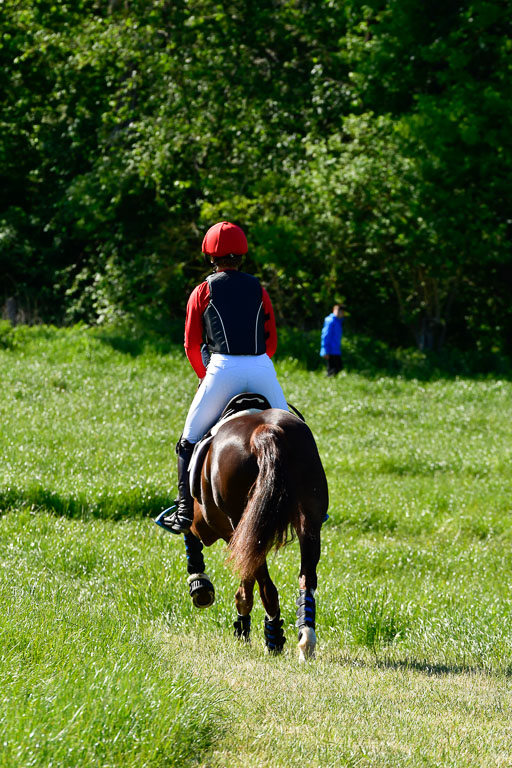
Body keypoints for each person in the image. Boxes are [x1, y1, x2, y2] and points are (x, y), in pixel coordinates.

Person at [164, 221, 289, 535]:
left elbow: (192, 344)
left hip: (222, 369)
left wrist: (205, 377)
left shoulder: (204, 290)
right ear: (242, 254)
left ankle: (182, 510)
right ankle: (308, 502)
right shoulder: (259, 288)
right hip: (262, 367)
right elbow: (271, 340)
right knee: (293, 435)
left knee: (188, 439)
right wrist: (257, 364)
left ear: (210, 256)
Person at [320, 303, 345, 376]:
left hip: (336, 350)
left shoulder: (338, 322)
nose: (340, 313)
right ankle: (327, 384)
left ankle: (331, 382)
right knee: (332, 370)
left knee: (338, 368)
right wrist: (325, 350)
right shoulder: (330, 321)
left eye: (341, 311)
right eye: (338, 311)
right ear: (334, 310)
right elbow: (325, 335)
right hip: (330, 350)